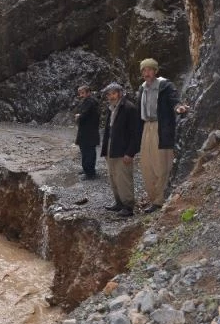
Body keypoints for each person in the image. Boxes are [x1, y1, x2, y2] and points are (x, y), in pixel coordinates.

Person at [137, 58, 189, 213]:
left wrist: (179, 107)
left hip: (161, 127)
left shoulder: (165, 86)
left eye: (150, 70)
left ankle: (160, 200)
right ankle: (153, 197)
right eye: (144, 70)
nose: (147, 73)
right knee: (147, 165)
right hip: (146, 127)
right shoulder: (142, 88)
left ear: (155, 71)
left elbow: (175, 100)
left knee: (162, 164)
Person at [100, 82, 141, 217]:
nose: (111, 96)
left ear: (120, 93)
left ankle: (128, 207)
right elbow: (108, 130)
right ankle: (119, 203)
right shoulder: (111, 108)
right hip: (112, 146)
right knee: (113, 177)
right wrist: (105, 149)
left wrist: (130, 152)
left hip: (123, 148)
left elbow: (136, 133)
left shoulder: (129, 108)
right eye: (109, 94)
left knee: (123, 177)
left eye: (113, 93)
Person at [74, 85, 100, 180]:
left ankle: (90, 173)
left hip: (89, 132)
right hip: (87, 131)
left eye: (83, 93)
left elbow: (84, 115)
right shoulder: (88, 101)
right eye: (80, 93)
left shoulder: (90, 102)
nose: (81, 95)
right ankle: (86, 169)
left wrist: (78, 116)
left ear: (88, 93)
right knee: (85, 151)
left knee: (88, 152)